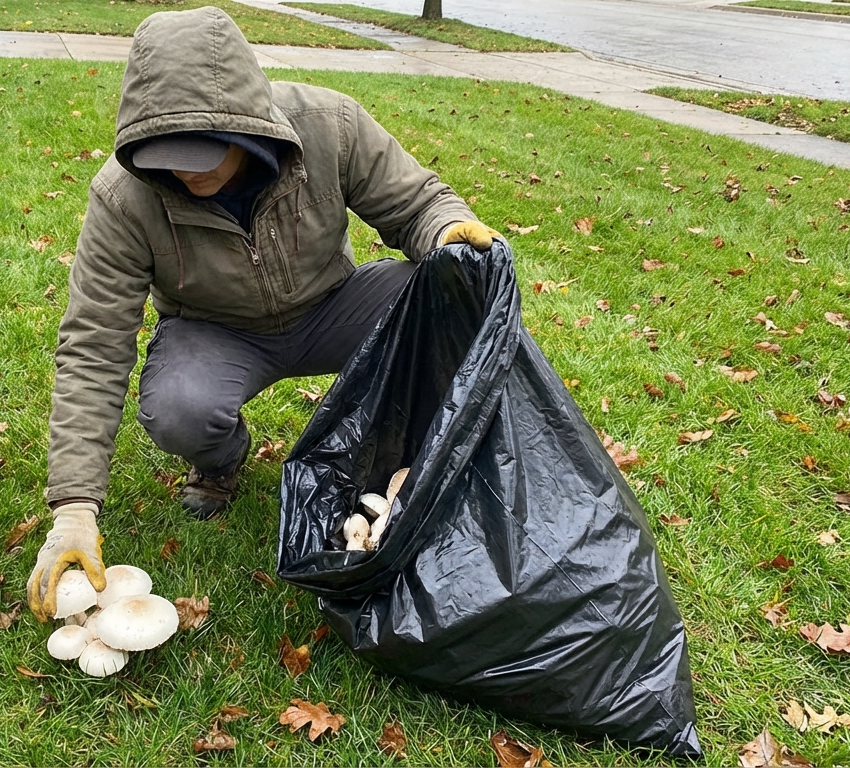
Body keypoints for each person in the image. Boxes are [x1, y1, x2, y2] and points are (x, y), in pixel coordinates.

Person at [27, 5, 499, 619]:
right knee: (178, 409)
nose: (181, 169)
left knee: (447, 297)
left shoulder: (330, 125)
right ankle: (221, 462)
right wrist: (73, 511)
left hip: (335, 306)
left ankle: (417, 459)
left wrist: (444, 229)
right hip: (215, 333)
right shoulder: (124, 198)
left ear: (248, 122)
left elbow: (414, 203)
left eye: (202, 150)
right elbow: (93, 344)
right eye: (165, 151)